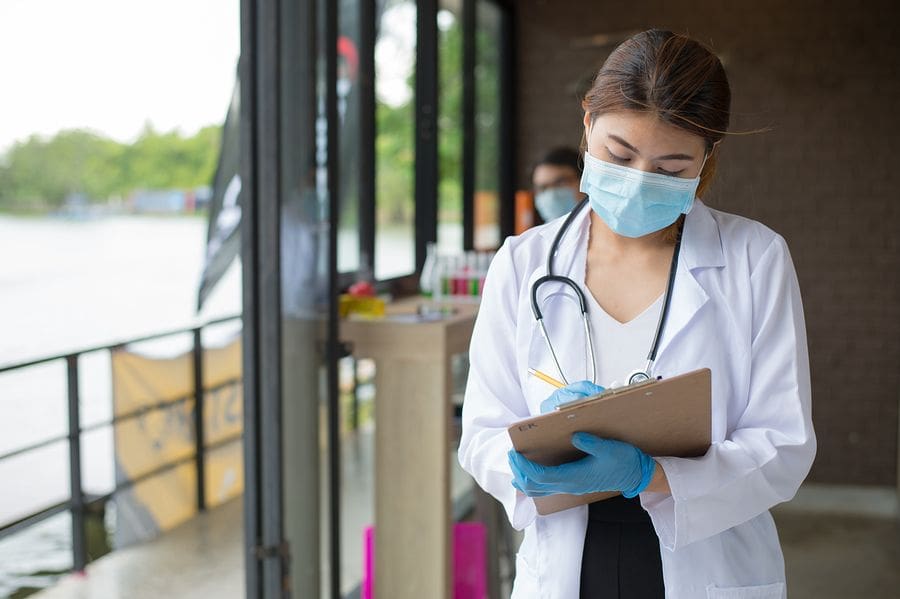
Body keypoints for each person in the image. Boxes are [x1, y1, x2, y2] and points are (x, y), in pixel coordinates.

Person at [458, 29, 815, 599]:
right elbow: (481, 430)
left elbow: (783, 444)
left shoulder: (755, 260)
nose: (639, 181)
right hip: (566, 562)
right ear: (587, 121)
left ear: (707, 158)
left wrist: (649, 474)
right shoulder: (523, 263)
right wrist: (520, 459)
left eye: (671, 169)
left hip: (707, 558)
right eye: (619, 155)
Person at [531, 147, 586, 223]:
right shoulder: (533, 234)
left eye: (560, 183)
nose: (551, 194)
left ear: (584, 181)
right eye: (542, 188)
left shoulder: (604, 230)